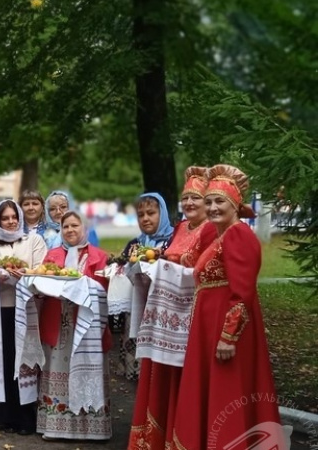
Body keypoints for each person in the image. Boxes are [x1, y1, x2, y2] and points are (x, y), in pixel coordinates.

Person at [171, 165, 282, 449]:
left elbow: (242, 292)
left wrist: (228, 336)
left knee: (228, 392)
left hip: (226, 329)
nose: (211, 207)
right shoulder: (218, 237)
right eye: (208, 201)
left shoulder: (238, 236)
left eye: (220, 201)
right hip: (209, 328)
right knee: (214, 391)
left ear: (235, 204)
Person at [128, 167, 218, 450]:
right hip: (166, 320)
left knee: (184, 380)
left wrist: (165, 266)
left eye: (197, 198)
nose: (190, 203)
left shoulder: (211, 230)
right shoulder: (180, 228)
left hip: (191, 318)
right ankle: (156, 438)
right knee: (160, 377)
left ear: (208, 202)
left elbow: (206, 271)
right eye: (186, 198)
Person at [37, 211, 111, 441]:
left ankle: (92, 429)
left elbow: (104, 289)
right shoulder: (52, 255)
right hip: (59, 322)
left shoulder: (99, 256)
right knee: (58, 369)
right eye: (65, 226)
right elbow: (41, 282)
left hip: (88, 324)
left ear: (84, 227)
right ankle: (55, 426)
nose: (70, 230)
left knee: (89, 370)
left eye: (74, 225)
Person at [0, 200, 48, 435]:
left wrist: (24, 273)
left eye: (13, 217)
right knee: (4, 361)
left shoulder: (33, 241)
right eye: (5, 218)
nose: (10, 222)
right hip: (1, 311)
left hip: (27, 309)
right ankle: (3, 416)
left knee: (25, 362)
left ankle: (25, 419)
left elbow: (40, 270)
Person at [117, 192, 175, 381]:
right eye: (141, 215)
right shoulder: (134, 245)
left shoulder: (173, 242)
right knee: (138, 373)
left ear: (163, 213)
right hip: (137, 309)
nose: (146, 218)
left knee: (161, 373)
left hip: (164, 310)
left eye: (151, 213)